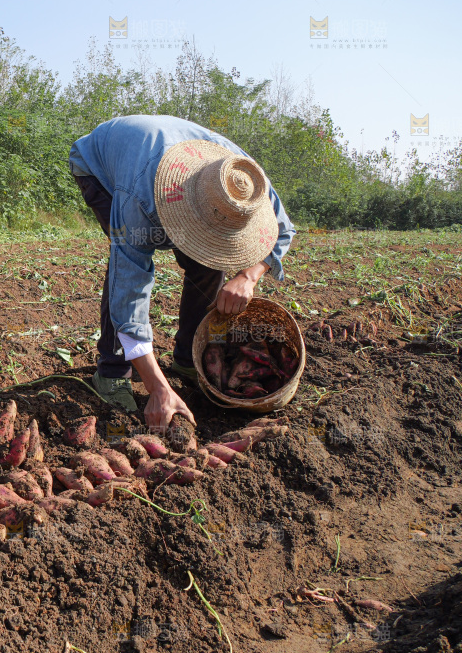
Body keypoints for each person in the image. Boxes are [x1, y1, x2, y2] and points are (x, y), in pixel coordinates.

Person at [69, 114, 295, 431]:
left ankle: (188, 359)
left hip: (159, 157)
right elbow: (129, 295)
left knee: (207, 262)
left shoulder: (246, 181)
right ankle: (112, 371)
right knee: (124, 264)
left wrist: (248, 276)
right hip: (101, 167)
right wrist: (158, 389)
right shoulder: (139, 198)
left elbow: (283, 233)